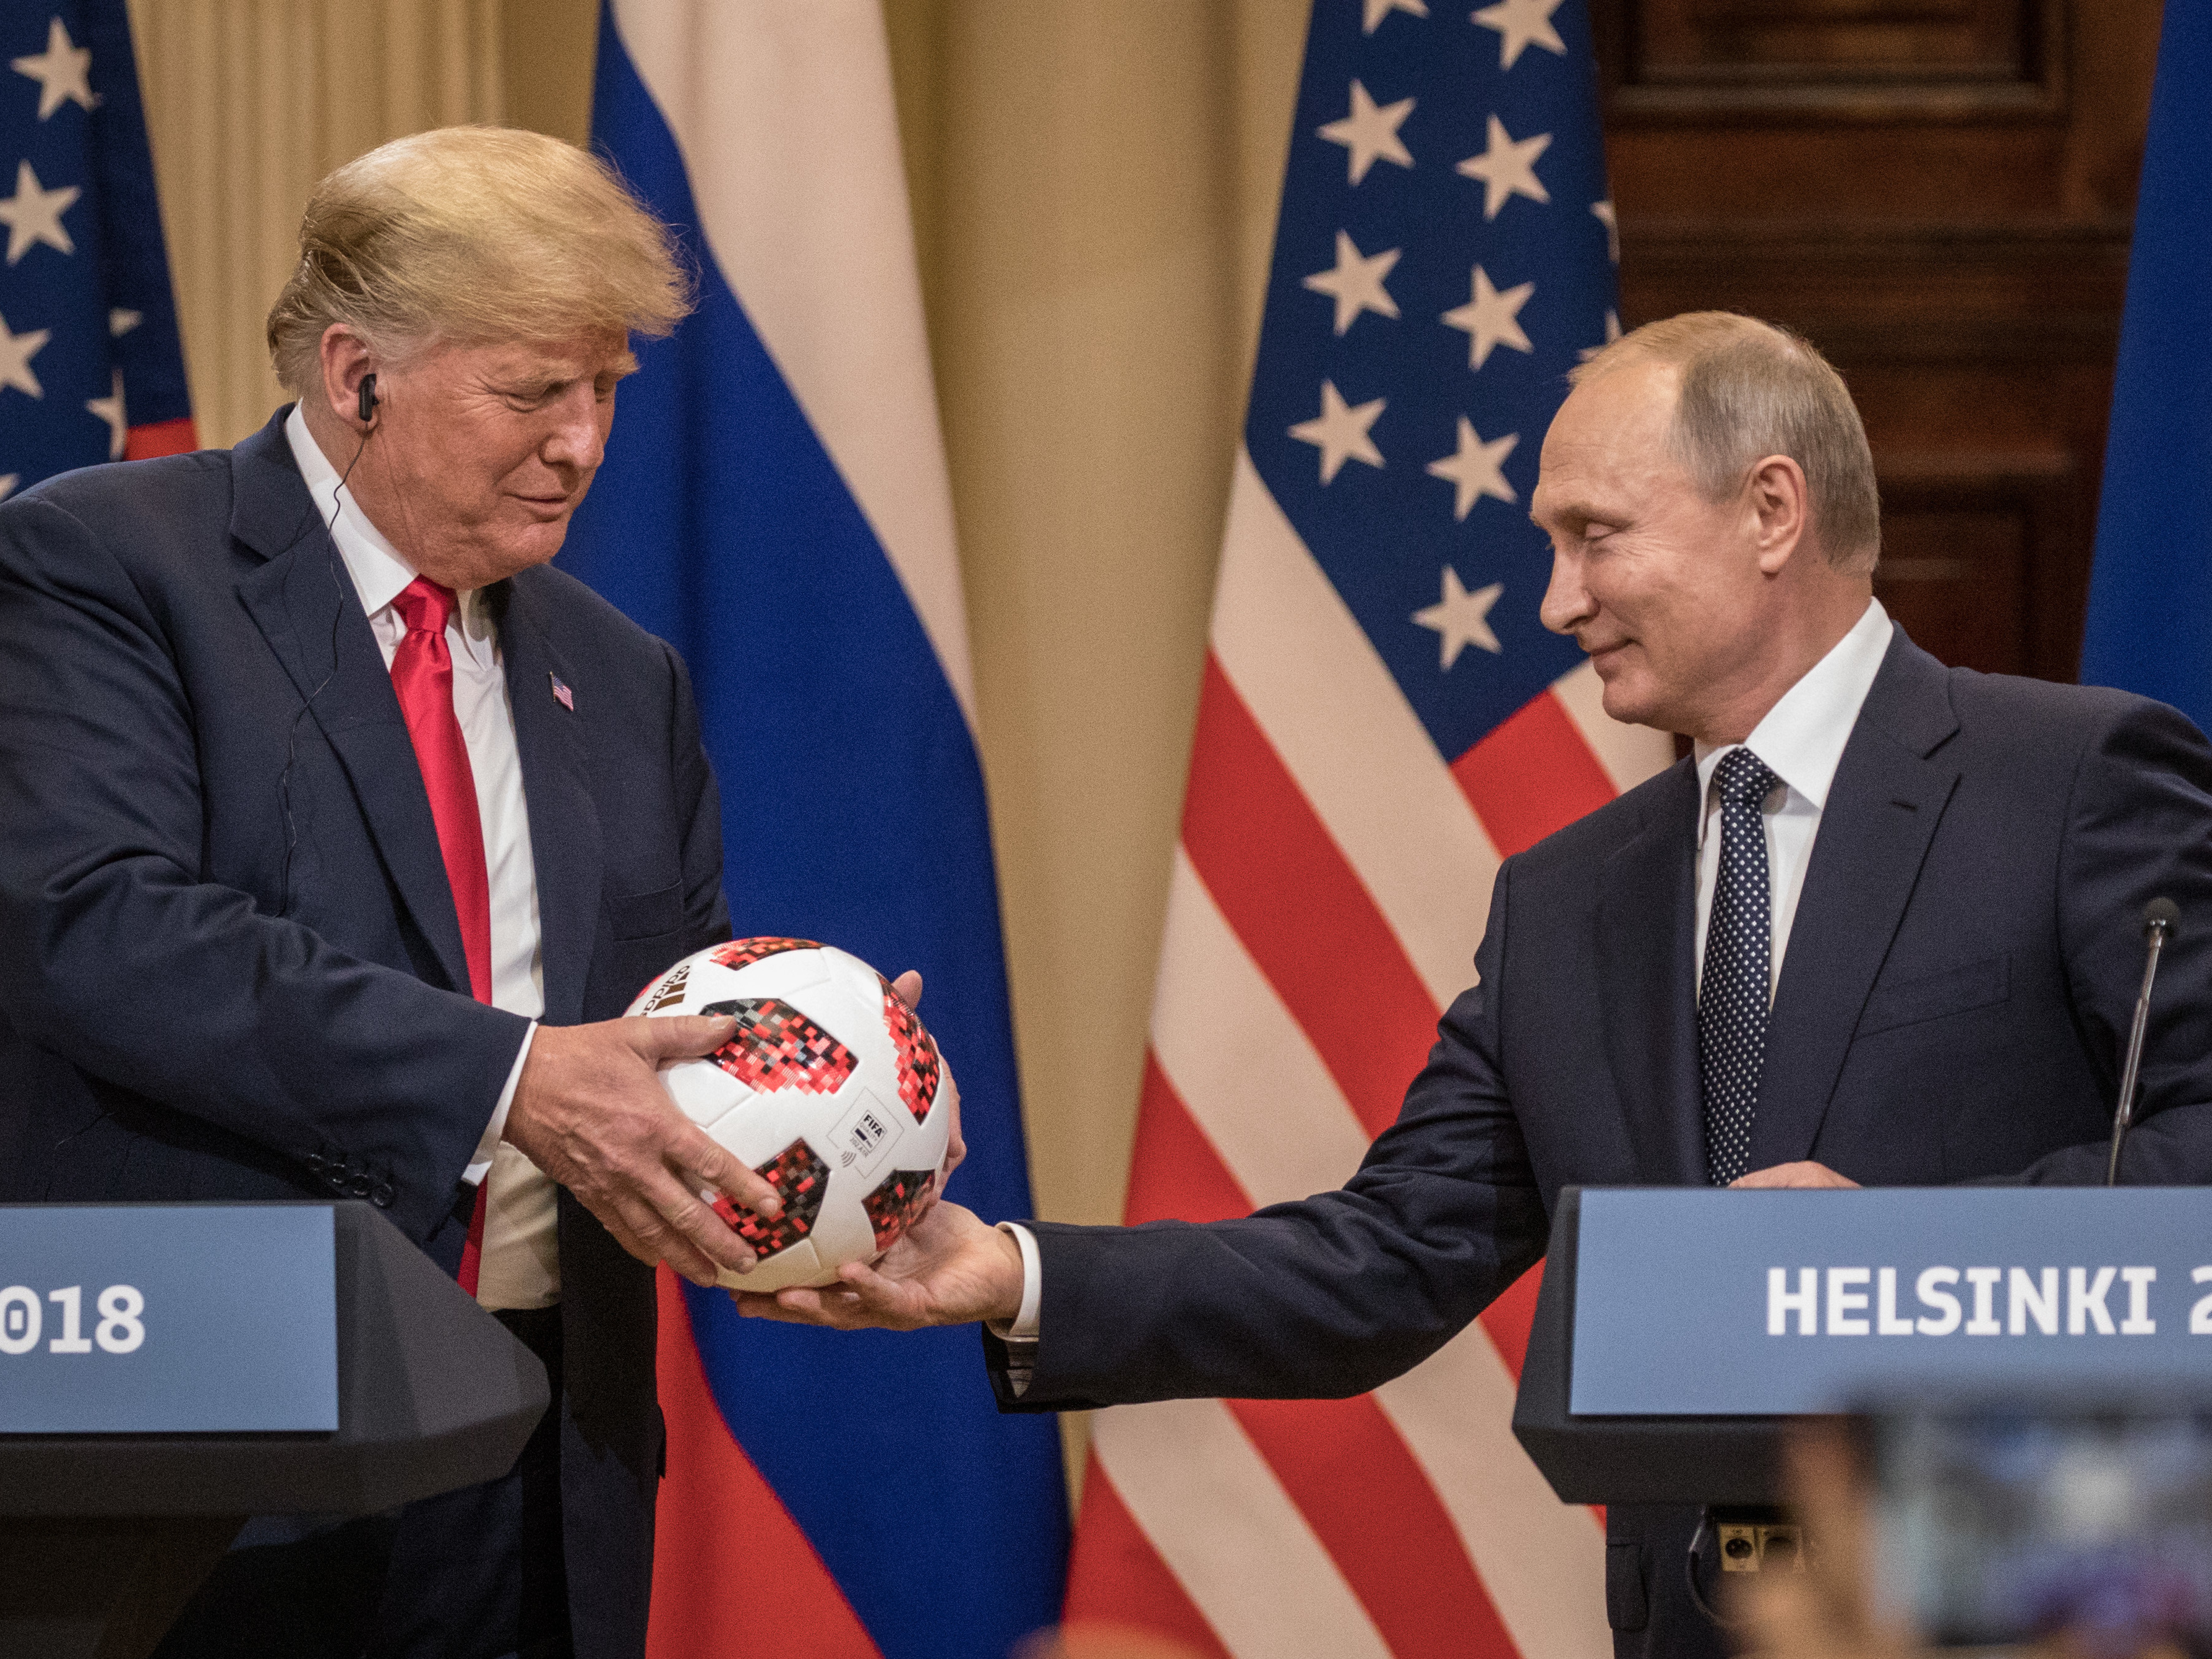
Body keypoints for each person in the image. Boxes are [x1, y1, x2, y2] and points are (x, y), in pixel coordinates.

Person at [737, 313, 2212, 1659]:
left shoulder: (2075, 782)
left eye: (1595, 537)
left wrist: (1895, 1253)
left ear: (1773, 511)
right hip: (1705, 1618)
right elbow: (1383, 1261)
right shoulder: (1568, 901)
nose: (1557, 600)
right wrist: (1012, 1273)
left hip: (2034, 1599)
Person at [0, 126, 870, 1658]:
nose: (583, 442)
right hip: (211, 1443)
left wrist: (806, 1077)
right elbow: (103, 927)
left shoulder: (622, 673)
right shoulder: (106, 563)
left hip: (539, 1459)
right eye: (534, 390)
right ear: (357, 375)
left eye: (606, 388)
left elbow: (651, 1029)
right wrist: (513, 1079)